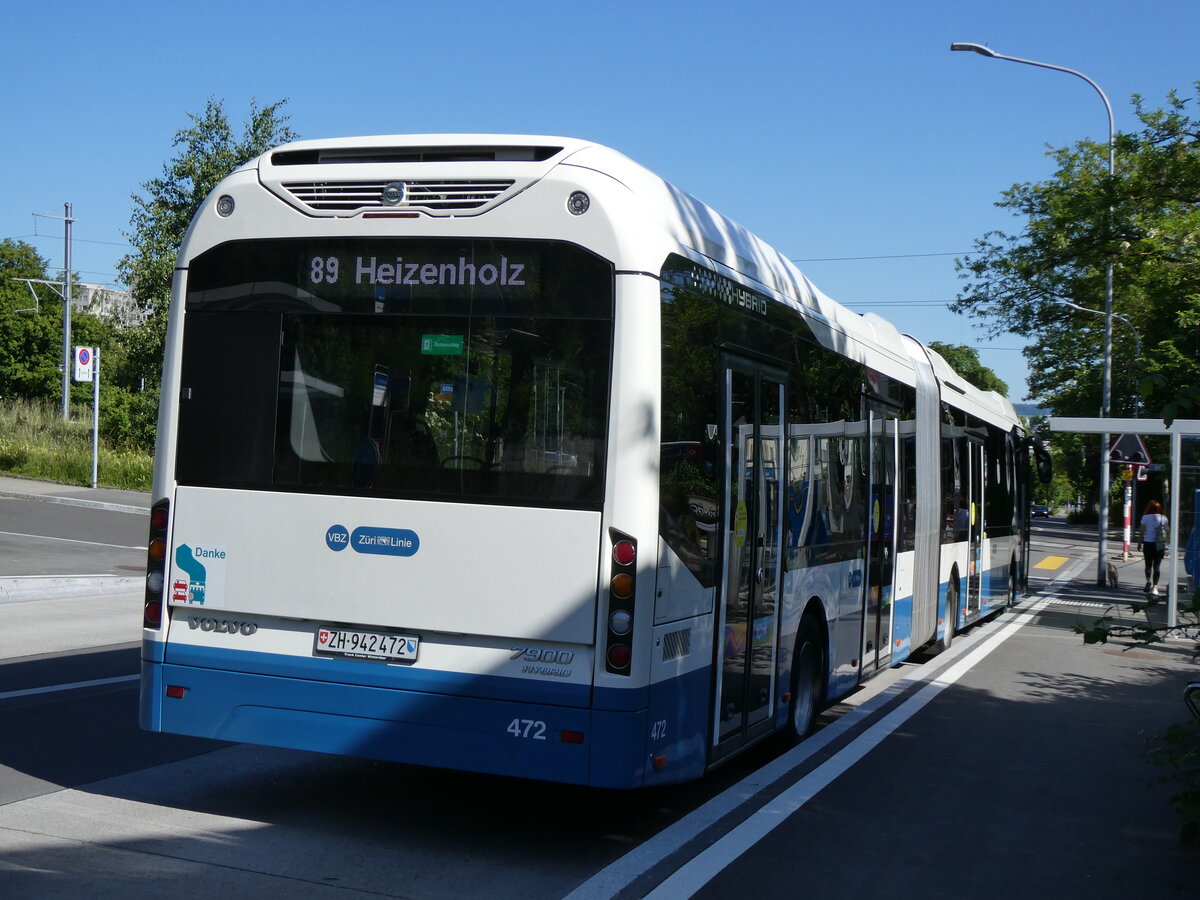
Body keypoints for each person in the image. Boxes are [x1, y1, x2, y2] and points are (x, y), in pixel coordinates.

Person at [1138, 499, 1170, 596]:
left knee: (1148, 565)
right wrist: (1167, 546)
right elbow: (1167, 533)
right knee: (1157, 566)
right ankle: (1155, 587)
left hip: (1147, 544)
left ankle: (1148, 581)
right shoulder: (1163, 518)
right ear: (1159, 508)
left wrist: (1139, 543)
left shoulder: (1145, 517)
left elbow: (1141, 531)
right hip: (1159, 545)